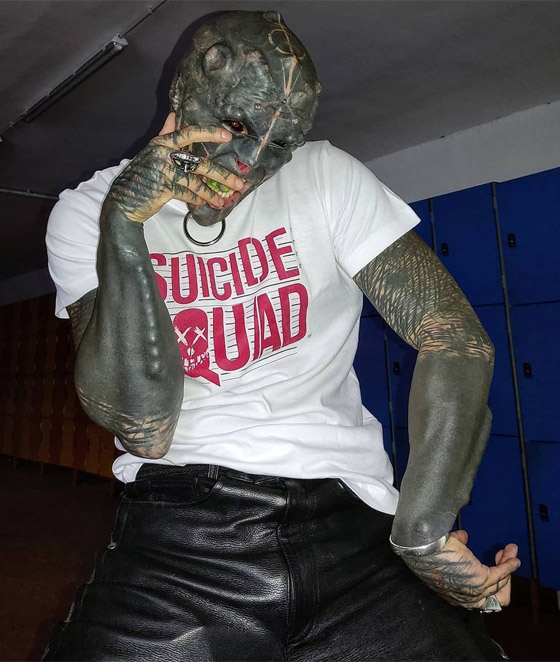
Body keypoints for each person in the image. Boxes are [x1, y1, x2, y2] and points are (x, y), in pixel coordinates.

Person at [44, 10, 520, 661]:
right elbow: (143, 425)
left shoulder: (325, 176)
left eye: (280, 146)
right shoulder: (88, 212)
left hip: (353, 519)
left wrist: (425, 526)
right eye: (239, 127)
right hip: (183, 536)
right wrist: (125, 229)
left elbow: (455, 339)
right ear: (184, 91)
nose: (251, 166)